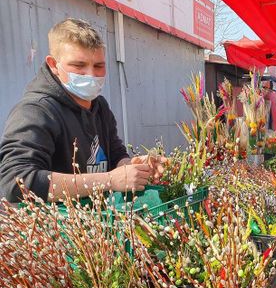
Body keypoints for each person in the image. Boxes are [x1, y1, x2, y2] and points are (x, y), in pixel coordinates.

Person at [0, 18, 162, 203]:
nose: (91, 75)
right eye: (78, 66)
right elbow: (15, 183)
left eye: (99, 66)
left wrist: (134, 166)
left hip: (96, 225)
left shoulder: (99, 106)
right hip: (54, 229)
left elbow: (116, 154)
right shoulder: (36, 111)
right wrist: (109, 181)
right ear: (54, 65)